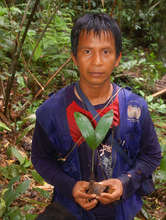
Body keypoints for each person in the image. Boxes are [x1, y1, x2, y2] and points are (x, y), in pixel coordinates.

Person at [31, 13, 161, 220]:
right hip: (69, 211)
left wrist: (125, 182)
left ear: (118, 58)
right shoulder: (52, 111)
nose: (97, 61)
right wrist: (70, 186)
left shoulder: (135, 108)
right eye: (87, 51)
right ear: (74, 57)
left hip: (122, 212)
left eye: (106, 51)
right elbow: (40, 157)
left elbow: (152, 155)